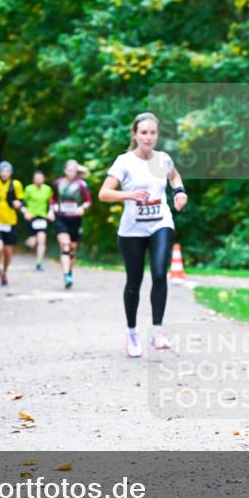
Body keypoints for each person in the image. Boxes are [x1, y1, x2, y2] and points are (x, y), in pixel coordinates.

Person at [98, 113, 188, 357]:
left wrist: (179, 191)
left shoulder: (163, 159)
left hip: (160, 223)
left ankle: (157, 331)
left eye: (153, 133)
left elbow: (174, 176)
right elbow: (104, 193)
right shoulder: (124, 162)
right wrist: (129, 195)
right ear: (135, 135)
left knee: (159, 273)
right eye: (144, 132)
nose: (148, 137)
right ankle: (132, 333)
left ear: (157, 135)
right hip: (132, 230)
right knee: (134, 281)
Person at [51, 160, 92, 289]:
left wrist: (83, 208)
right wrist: (54, 206)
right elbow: (52, 198)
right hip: (61, 218)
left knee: (72, 251)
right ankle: (66, 275)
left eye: (73, 170)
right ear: (65, 170)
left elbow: (88, 201)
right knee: (65, 246)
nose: (71, 172)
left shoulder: (81, 185)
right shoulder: (58, 183)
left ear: (76, 171)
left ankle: (69, 271)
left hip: (75, 219)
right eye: (69, 170)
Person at [22, 170, 54, 271]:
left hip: (42, 217)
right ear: (33, 179)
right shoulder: (28, 189)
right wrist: (25, 212)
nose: (39, 180)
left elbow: (52, 202)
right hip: (31, 217)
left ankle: (39, 263)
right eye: (37, 178)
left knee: (42, 241)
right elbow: (22, 203)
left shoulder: (47, 189)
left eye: (40, 178)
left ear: (44, 179)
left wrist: (51, 212)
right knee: (32, 242)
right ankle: (27, 244)